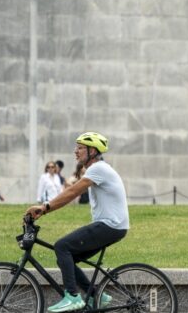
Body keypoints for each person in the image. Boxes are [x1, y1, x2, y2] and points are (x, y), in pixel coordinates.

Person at [26, 132, 129, 313]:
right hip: (114, 226)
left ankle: (72, 297)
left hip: (110, 225)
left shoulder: (98, 169)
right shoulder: (97, 169)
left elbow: (72, 192)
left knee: (62, 246)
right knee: (67, 257)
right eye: (77, 147)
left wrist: (45, 207)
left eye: (80, 148)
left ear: (93, 151)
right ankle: (97, 296)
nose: (76, 152)